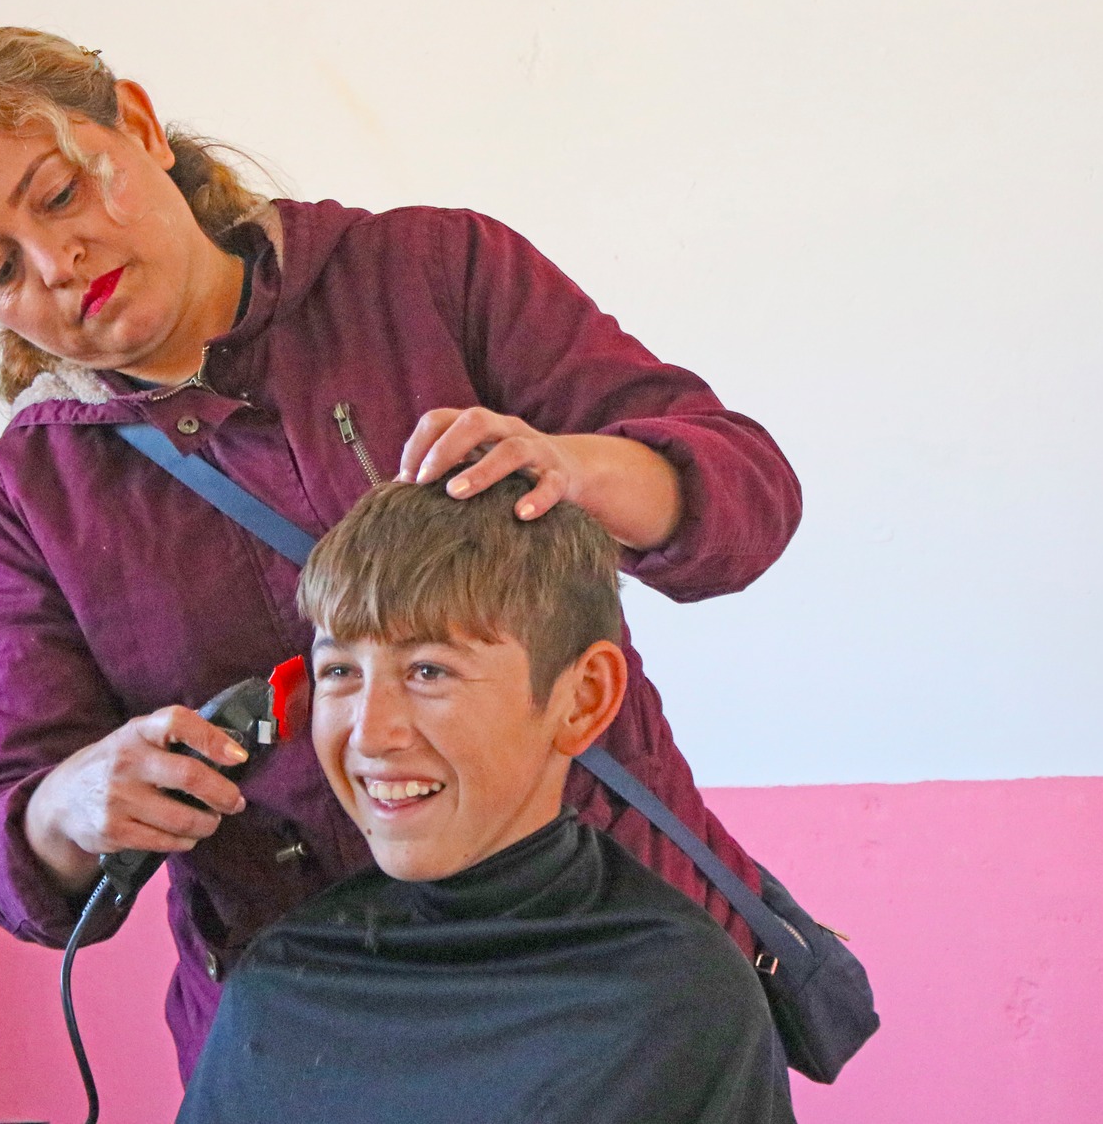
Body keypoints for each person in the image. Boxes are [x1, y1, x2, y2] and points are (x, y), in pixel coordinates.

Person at [0, 26, 805, 1076]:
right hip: (306, 1027)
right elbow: (2, 848)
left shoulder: (431, 274)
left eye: (59, 193)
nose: (54, 264)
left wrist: (571, 466)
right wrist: (69, 805)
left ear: (136, 125)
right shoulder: (36, 491)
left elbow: (747, 498)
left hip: (608, 969)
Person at [176, 474, 791, 1124]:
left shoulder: (677, 997)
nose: (370, 733)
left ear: (581, 700)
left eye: (429, 671)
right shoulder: (281, 987)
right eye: (340, 672)